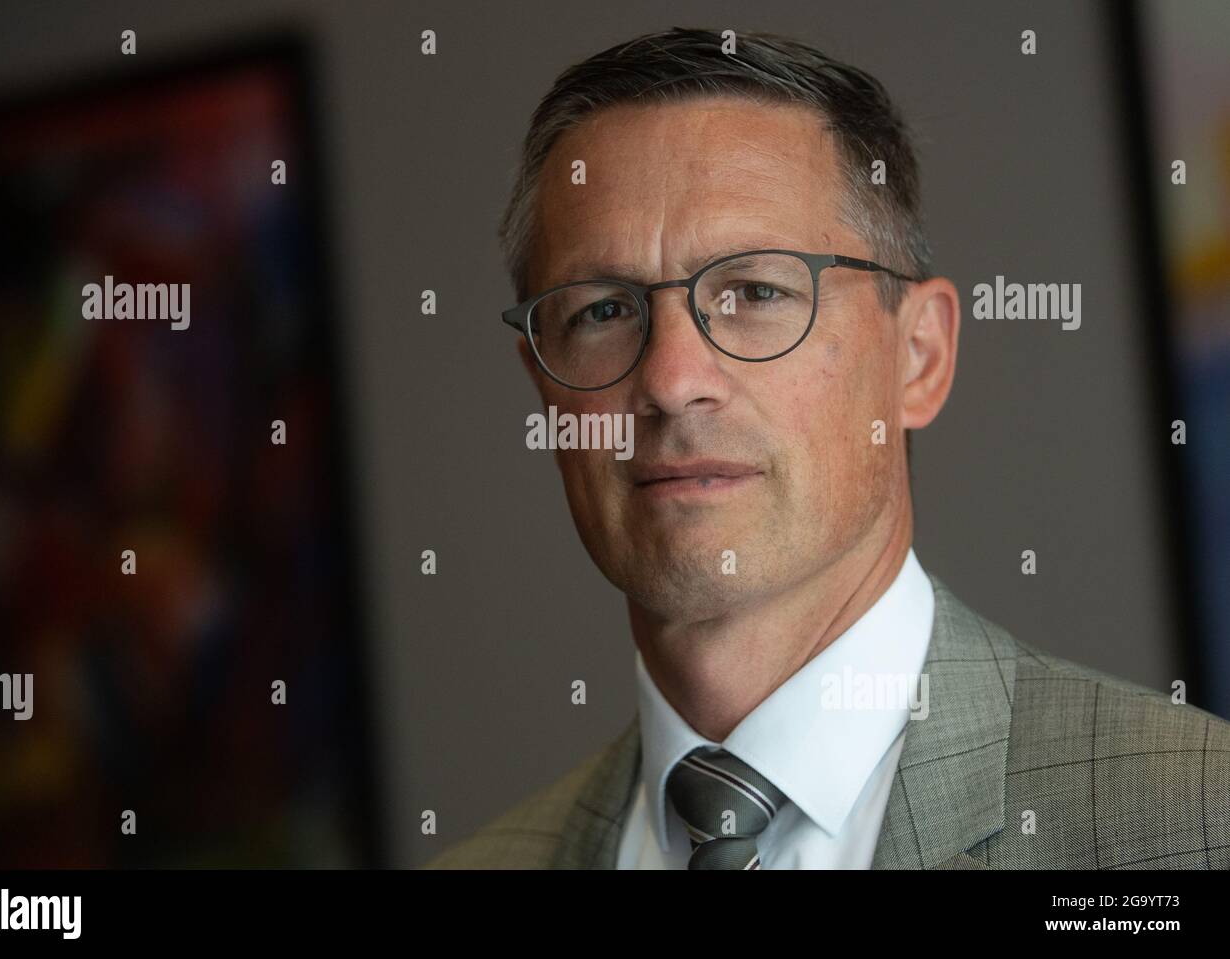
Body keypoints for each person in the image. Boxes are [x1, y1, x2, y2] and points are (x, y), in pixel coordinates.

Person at [425, 26, 1230, 869]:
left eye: (756, 291)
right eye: (602, 309)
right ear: (543, 386)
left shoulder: (1192, 825)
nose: (670, 378)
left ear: (919, 355)